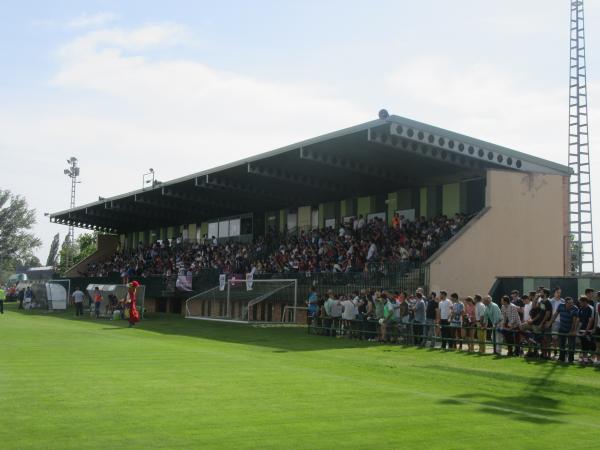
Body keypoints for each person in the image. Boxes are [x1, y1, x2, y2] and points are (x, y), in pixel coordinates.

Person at [549, 296, 579, 363]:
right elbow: (555, 315)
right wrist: (550, 323)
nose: (571, 304)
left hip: (570, 328)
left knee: (571, 345)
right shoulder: (560, 306)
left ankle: (571, 360)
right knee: (561, 344)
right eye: (569, 303)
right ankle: (561, 358)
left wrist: (572, 331)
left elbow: (574, 321)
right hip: (562, 328)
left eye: (572, 303)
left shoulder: (575, 308)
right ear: (565, 303)